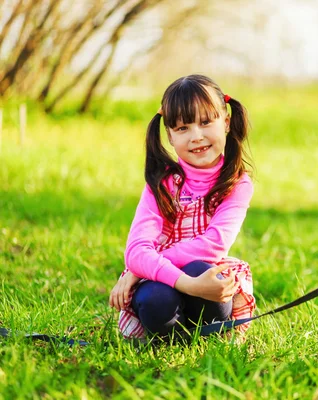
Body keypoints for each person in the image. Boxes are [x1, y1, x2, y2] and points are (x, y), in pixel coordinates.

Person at [108, 74, 255, 340]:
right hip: (162, 282)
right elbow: (137, 250)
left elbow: (213, 245)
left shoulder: (237, 184)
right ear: (170, 136)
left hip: (207, 288)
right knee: (155, 298)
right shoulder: (162, 183)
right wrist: (179, 281)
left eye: (205, 122)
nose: (196, 136)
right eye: (182, 128)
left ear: (226, 123)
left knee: (200, 269)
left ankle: (205, 334)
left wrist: (139, 269)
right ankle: (173, 338)